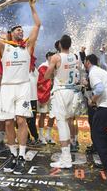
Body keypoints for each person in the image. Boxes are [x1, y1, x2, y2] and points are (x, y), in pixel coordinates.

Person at [0, 0, 41, 175]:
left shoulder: (28, 46)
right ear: (11, 33)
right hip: (7, 88)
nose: (21, 31)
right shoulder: (3, 47)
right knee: (8, 122)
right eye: (17, 29)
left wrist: (32, 6)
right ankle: (13, 155)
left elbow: (37, 24)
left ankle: (22, 155)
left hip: (23, 87)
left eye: (22, 30)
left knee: (21, 120)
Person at [84, 54, 107, 171]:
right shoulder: (100, 71)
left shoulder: (93, 72)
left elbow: (100, 89)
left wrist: (93, 101)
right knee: (102, 130)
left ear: (88, 62)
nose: (84, 64)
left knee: (96, 132)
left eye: (85, 62)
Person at [45, 35, 77, 168]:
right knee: (67, 122)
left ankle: (66, 159)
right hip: (72, 91)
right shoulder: (75, 57)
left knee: (62, 124)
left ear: (59, 45)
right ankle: (67, 156)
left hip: (60, 91)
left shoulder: (56, 57)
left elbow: (47, 75)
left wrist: (53, 73)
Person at [37, 51, 56, 145]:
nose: (53, 59)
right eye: (52, 57)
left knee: (53, 115)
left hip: (53, 94)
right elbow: (41, 81)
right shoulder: (42, 66)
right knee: (43, 115)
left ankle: (48, 135)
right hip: (44, 94)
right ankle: (41, 136)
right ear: (48, 57)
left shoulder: (56, 66)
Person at [27, 64, 40, 145]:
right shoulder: (22, 73)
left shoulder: (35, 73)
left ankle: (35, 137)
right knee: (21, 121)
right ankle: (26, 137)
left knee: (32, 121)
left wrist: (33, 67)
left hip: (33, 100)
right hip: (23, 100)